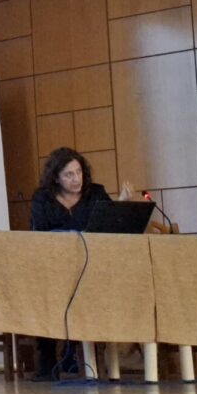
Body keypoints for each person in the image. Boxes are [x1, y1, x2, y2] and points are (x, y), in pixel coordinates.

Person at [29, 147, 132, 380]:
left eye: (79, 172)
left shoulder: (95, 193)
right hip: (53, 267)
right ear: (56, 178)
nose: (76, 179)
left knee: (89, 290)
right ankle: (48, 359)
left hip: (92, 267)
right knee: (43, 293)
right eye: (69, 174)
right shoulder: (42, 197)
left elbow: (110, 227)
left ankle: (76, 352)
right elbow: (38, 235)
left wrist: (121, 205)